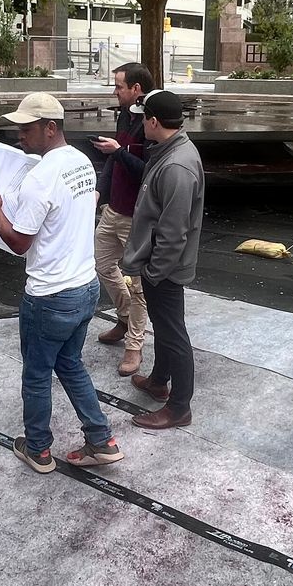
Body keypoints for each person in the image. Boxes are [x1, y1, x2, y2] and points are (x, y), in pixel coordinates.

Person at [0, 92, 121, 473]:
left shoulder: (40, 177)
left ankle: (38, 448)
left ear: (51, 128)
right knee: (70, 364)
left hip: (50, 295)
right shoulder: (81, 162)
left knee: (37, 374)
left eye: (27, 129)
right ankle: (101, 439)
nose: (20, 135)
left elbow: (19, 243)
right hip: (85, 286)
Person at [121, 88, 204, 430]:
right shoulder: (169, 150)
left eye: (143, 118)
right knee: (166, 327)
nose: (140, 123)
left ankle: (179, 406)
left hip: (165, 268)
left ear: (154, 121)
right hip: (160, 265)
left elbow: (173, 232)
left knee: (173, 333)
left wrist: (154, 272)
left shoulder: (177, 166)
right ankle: (158, 380)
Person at [90, 62, 152, 378]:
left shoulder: (151, 122)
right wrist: (99, 192)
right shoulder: (124, 114)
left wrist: (119, 151)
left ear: (136, 89)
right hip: (113, 209)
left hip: (136, 217)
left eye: (119, 87)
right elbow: (114, 162)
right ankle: (124, 316)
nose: (116, 92)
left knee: (139, 285)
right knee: (102, 265)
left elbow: (149, 174)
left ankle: (134, 345)